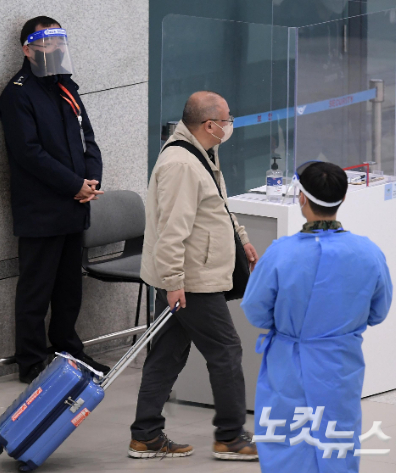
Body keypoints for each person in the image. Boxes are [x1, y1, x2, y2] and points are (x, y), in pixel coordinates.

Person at [128, 91, 260, 460]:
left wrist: (242, 240)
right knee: (226, 351)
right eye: (227, 118)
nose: (231, 123)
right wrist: (173, 282)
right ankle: (230, 438)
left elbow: (218, 204)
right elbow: (172, 230)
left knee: (167, 354)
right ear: (209, 125)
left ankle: (146, 435)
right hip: (192, 281)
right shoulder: (180, 165)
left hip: (190, 276)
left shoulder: (203, 153)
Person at [242, 162, 392, 473]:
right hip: (340, 365)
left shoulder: (280, 254)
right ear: (342, 199)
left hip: (288, 363)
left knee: (287, 444)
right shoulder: (368, 253)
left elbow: (255, 309)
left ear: (302, 199)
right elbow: (379, 311)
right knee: (337, 440)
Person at [0, 16, 108, 384]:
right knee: (36, 290)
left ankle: (69, 353)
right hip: (42, 209)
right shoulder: (17, 95)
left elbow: (87, 138)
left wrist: (91, 180)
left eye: (60, 44)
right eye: (47, 45)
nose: (55, 50)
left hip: (75, 205)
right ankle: (31, 362)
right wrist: (73, 184)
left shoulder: (67, 88)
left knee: (68, 290)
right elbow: (29, 154)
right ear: (27, 49)